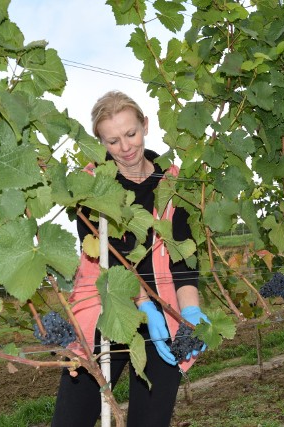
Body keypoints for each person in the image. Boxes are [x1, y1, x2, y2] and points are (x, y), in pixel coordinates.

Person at [51, 91, 209, 427]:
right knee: (70, 420)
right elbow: (106, 256)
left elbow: (183, 259)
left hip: (163, 313)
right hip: (106, 307)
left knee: (151, 421)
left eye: (131, 133)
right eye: (113, 140)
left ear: (145, 126)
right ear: (101, 144)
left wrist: (191, 311)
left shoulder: (172, 183)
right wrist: (142, 304)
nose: (125, 147)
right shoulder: (91, 186)